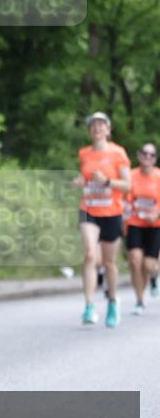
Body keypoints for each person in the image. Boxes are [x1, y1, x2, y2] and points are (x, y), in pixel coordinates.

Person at [73, 112, 130, 327]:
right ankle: (89, 306)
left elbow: (127, 185)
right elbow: (85, 176)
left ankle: (113, 302)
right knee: (89, 255)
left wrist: (107, 182)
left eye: (101, 125)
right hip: (89, 209)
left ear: (108, 129)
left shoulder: (118, 153)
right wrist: (80, 180)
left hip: (112, 212)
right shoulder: (84, 153)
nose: (96, 129)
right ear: (89, 131)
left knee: (108, 262)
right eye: (93, 125)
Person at [125, 143, 160, 315]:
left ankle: (154, 276)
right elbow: (126, 199)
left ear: (155, 158)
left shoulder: (159, 177)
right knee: (135, 261)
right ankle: (139, 300)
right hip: (135, 223)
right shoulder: (131, 176)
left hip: (155, 226)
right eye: (144, 154)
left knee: (148, 265)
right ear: (139, 156)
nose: (147, 157)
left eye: (151, 155)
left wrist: (157, 213)